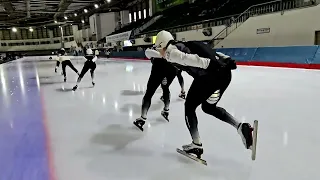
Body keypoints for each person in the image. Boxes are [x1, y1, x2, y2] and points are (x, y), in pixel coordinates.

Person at [152, 30, 256, 159]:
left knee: (189, 107)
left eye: (159, 48)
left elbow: (191, 59)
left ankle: (196, 144)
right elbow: (210, 52)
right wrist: (225, 59)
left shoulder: (171, 52)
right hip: (224, 75)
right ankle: (241, 126)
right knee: (208, 107)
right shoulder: (184, 44)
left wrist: (211, 64)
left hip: (210, 76)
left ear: (163, 44)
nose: (160, 51)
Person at [133, 47, 181, 131]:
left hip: (160, 69)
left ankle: (142, 118)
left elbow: (147, 52)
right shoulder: (174, 49)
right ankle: (166, 110)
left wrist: (161, 55)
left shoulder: (156, 49)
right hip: (172, 69)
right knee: (165, 88)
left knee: (149, 94)